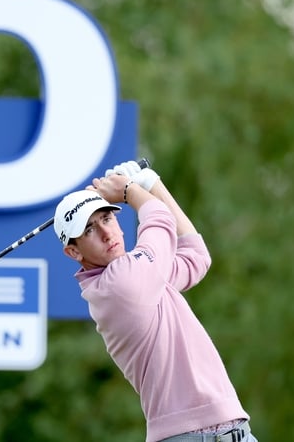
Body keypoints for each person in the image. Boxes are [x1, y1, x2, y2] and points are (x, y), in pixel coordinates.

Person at [53, 161, 257, 442]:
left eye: (107, 219)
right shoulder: (120, 283)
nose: (106, 233)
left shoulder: (144, 275)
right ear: (73, 252)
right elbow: (159, 218)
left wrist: (150, 183)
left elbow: (195, 256)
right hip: (190, 436)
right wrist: (129, 190)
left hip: (234, 432)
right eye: (89, 230)